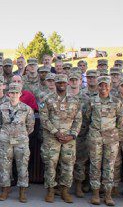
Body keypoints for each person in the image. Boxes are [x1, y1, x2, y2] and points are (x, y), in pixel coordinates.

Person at [39, 74, 82, 203]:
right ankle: (51, 190)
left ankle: (65, 191)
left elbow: (78, 120)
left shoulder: (75, 100)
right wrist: (55, 132)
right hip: (52, 137)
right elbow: (44, 118)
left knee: (68, 164)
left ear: (67, 83)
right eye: (59, 82)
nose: (61, 84)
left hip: (69, 139)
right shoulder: (47, 99)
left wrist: (72, 134)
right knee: (50, 164)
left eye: (63, 82)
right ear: (55, 84)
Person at [86, 76, 123, 206]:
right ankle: (96, 194)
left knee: (109, 166)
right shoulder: (92, 101)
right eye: (101, 85)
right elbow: (87, 118)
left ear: (110, 86)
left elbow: (120, 120)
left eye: (106, 85)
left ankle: (108, 195)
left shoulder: (116, 102)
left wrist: (112, 132)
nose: (103, 88)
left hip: (111, 138)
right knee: (95, 165)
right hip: (95, 136)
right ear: (98, 86)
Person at [0, 83, 34, 203]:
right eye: (11, 93)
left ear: (20, 94)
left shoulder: (26, 109)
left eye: (16, 93)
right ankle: (5, 189)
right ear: (8, 94)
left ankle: (22, 191)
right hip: (5, 141)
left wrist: (21, 134)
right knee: (4, 166)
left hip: (21, 141)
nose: (13, 95)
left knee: (22, 166)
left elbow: (30, 126)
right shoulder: (2, 107)